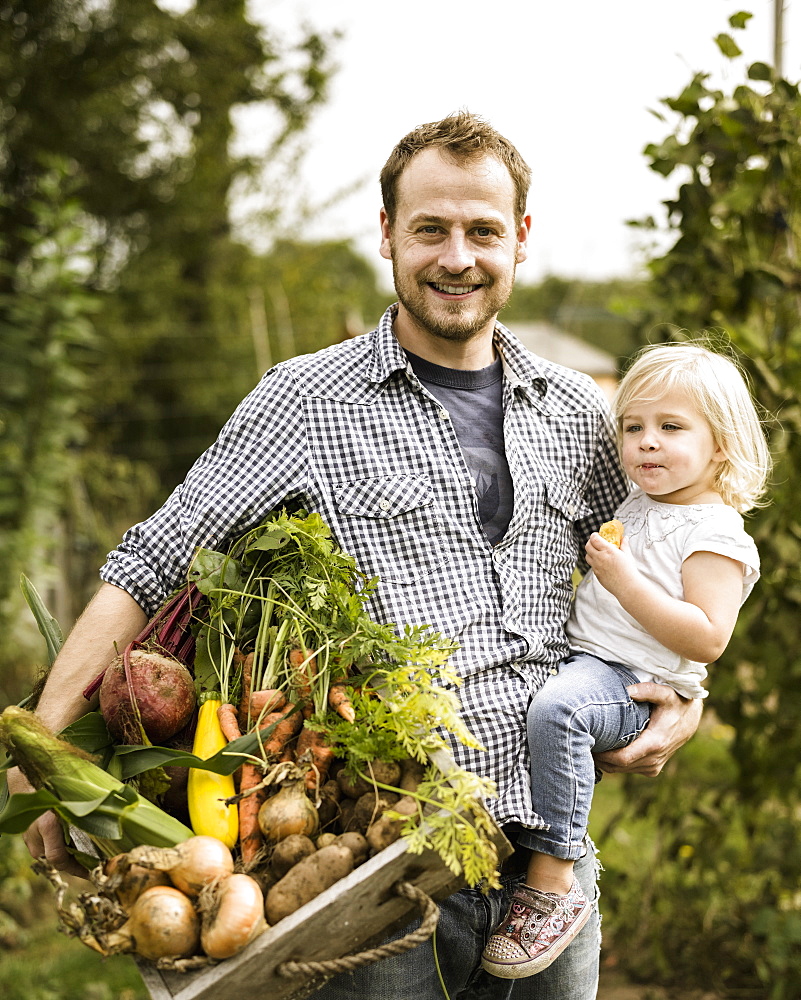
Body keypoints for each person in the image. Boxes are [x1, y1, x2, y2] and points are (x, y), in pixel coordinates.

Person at [9, 112, 703, 999]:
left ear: (520, 240)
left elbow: (668, 560)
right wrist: (50, 741)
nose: (458, 256)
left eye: (483, 231)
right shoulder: (305, 399)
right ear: (387, 235)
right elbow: (153, 561)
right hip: (377, 875)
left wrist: (684, 701)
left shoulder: (576, 411)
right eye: (431, 230)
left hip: (549, 873)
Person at [481, 343, 771, 981]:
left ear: (720, 445)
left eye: (671, 429)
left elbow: (707, 638)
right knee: (556, 699)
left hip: (630, 682)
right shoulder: (643, 502)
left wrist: (623, 581)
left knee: (559, 711)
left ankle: (554, 882)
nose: (646, 443)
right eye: (633, 427)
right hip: (594, 660)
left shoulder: (716, 533)